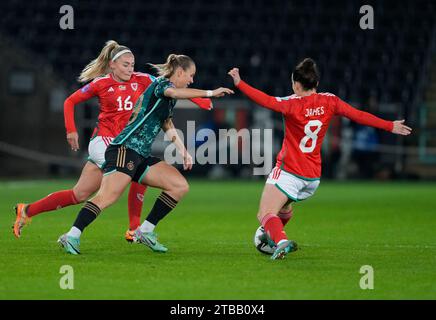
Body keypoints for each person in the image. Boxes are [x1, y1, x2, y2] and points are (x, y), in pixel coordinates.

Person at [13, 40, 212, 242]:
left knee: (80, 194)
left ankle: (27, 210)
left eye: (132, 65)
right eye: (125, 65)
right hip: (104, 141)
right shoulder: (101, 83)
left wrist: (199, 99)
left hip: (125, 143)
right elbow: (70, 101)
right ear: (112, 65)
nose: (130, 69)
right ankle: (134, 229)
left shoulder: (143, 80)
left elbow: (171, 86)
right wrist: (71, 130)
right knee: (133, 171)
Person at [228, 58, 412, 260]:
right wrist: (389, 125)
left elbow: (266, 100)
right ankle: (272, 235)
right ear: (316, 84)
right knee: (285, 207)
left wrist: (240, 83)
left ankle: (280, 241)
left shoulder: (291, 104)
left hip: (289, 170)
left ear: (297, 85)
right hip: (312, 177)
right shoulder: (330, 101)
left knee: (264, 213)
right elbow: (357, 115)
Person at [58, 54, 234, 254]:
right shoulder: (162, 85)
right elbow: (174, 94)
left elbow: (166, 123)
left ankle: (145, 231)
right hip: (125, 148)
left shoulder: (167, 97)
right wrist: (209, 93)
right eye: (190, 75)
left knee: (178, 186)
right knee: (107, 197)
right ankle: (71, 235)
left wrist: (183, 151)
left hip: (140, 153)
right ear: (180, 72)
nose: (191, 80)